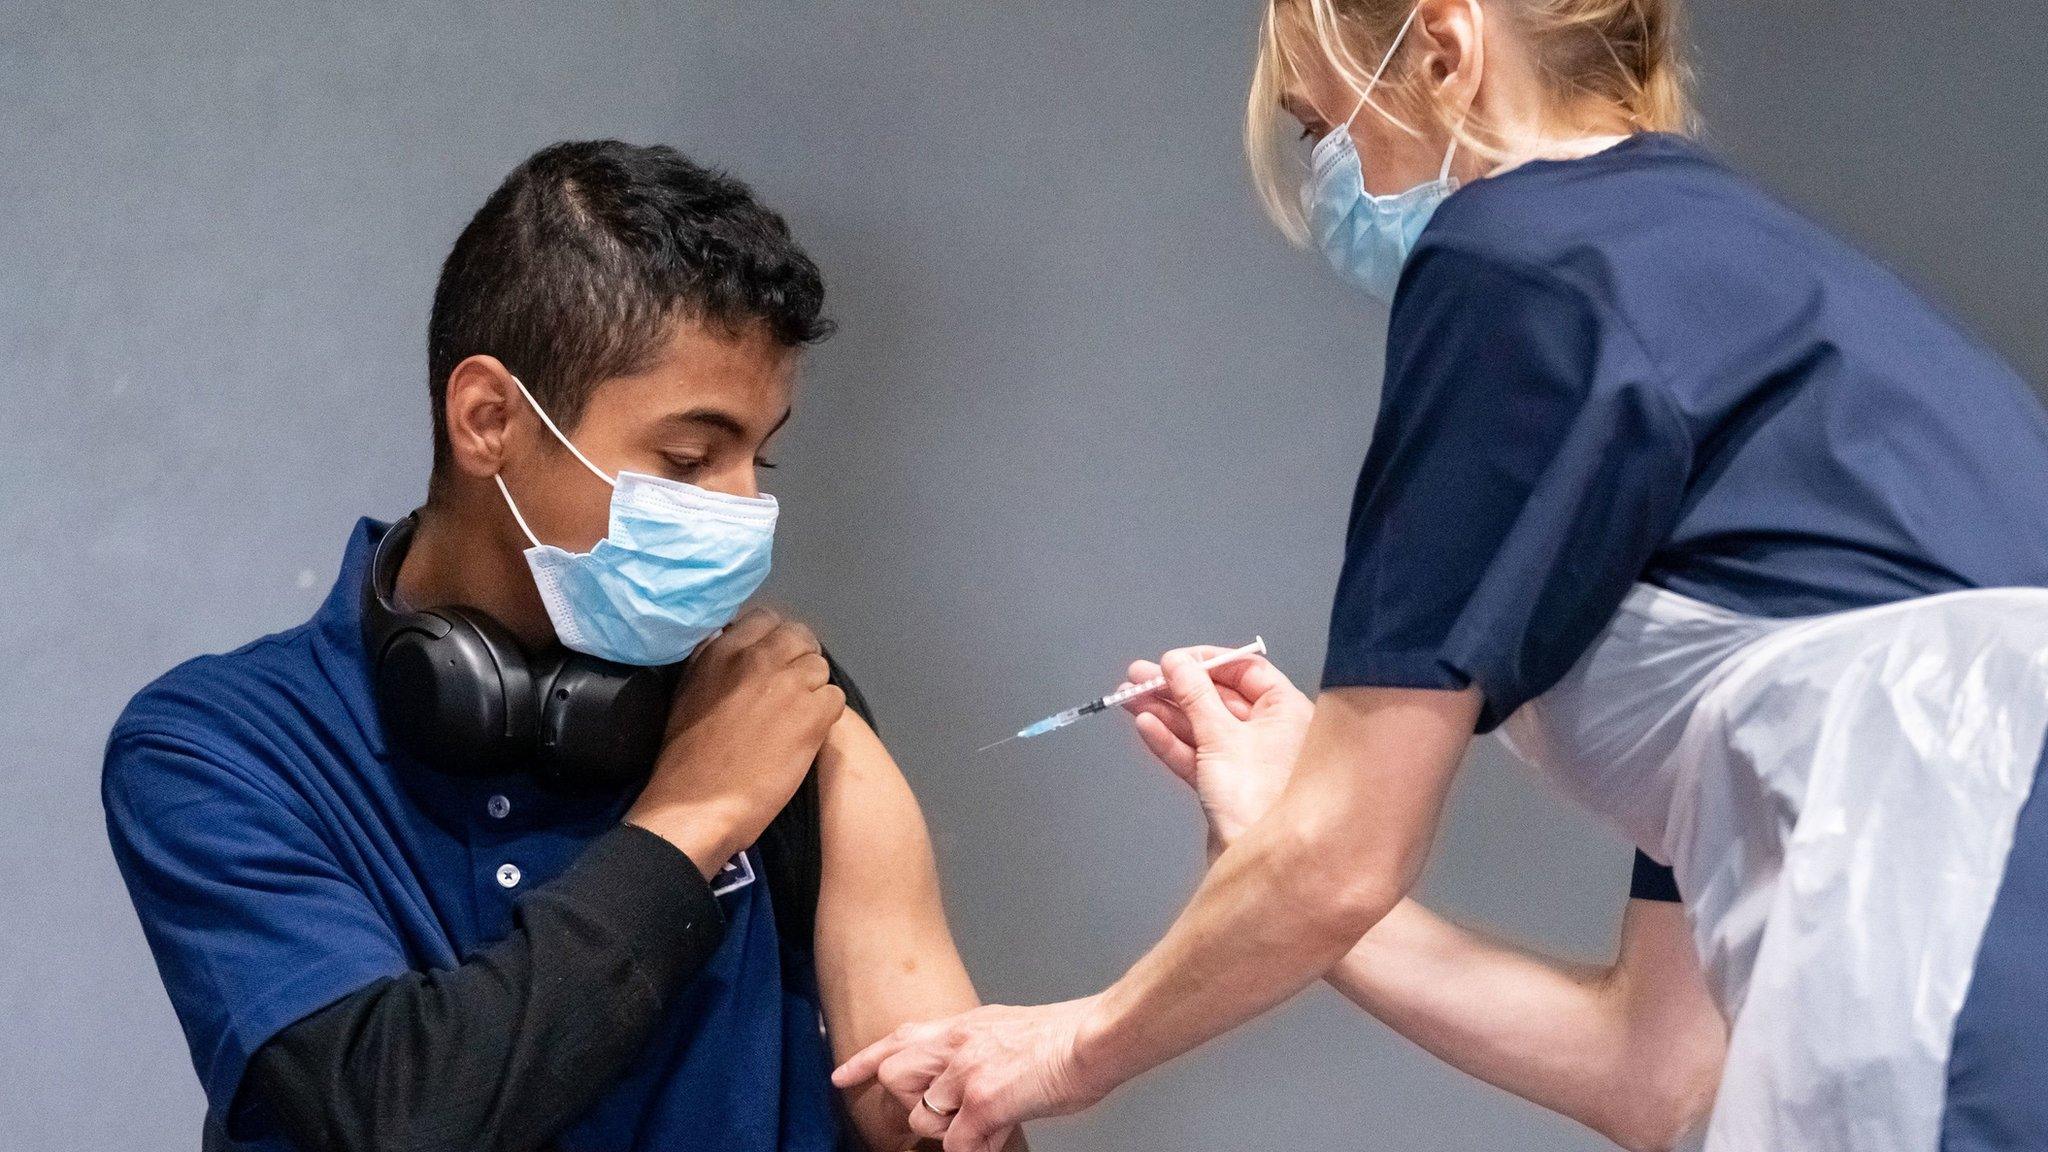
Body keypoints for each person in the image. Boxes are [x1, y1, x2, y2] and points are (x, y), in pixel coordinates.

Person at [830, 2, 2048, 1150]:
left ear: (1443, 50)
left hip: (1957, 969)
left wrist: (1067, 1048)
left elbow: (1345, 856)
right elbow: (1651, 1070)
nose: (1329, 179)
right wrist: (1278, 830)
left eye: (1322, 128)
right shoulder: (1771, 309)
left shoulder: (1517, 261)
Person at [105, 140, 1022, 1152]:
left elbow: (933, 1106)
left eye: (758, 456)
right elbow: (391, 1118)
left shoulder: (773, 703)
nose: (744, 510)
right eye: (688, 456)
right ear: (488, 418)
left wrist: (971, 1102)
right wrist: (696, 816)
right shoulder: (218, 748)